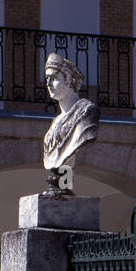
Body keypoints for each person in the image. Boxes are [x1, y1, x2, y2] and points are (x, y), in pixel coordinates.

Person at [41, 53, 99, 193]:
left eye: (54, 78)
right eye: (47, 79)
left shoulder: (86, 111)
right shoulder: (56, 121)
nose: (48, 84)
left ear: (68, 80)